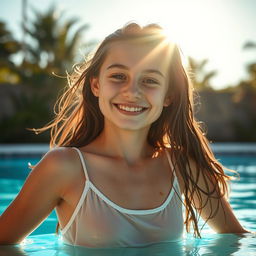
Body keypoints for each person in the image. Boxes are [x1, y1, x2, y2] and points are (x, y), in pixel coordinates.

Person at [0, 22, 249, 248]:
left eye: (150, 80)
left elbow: (237, 239)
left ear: (168, 96)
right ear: (96, 85)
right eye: (118, 76)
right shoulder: (64, 167)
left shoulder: (183, 166)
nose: (132, 92)